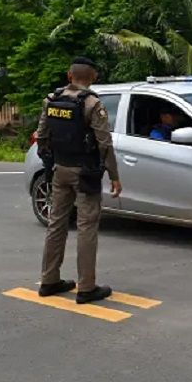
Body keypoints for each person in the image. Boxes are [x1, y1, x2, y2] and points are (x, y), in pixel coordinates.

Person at [35, 57, 122, 304]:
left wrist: (50, 164)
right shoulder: (93, 104)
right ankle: (86, 287)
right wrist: (114, 176)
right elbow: (105, 144)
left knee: (56, 224)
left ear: (68, 75)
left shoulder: (51, 101)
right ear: (93, 77)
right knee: (86, 227)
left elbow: (42, 137)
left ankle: (49, 280)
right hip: (85, 173)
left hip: (59, 169)